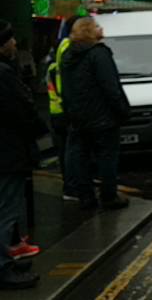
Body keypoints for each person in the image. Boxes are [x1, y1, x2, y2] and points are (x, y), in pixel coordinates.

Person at [60, 17, 129, 211]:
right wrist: (123, 111)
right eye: (97, 26)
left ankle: (86, 197)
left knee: (81, 158)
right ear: (89, 31)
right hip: (103, 118)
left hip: (79, 118)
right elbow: (111, 87)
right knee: (107, 157)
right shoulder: (99, 53)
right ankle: (109, 196)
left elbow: (66, 89)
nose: (101, 28)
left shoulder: (68, 55)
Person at [0, 20, 43, 289]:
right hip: (7, 153)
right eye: (11, 39)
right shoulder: (3, 74)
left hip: (7, 151)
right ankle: (3, 269)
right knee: (5, 211)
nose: (15, 43)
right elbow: (21, 111)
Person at [45, 16, 77, 200]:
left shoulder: (54, 56)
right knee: (72, 150)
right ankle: (72, 188)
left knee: (66, 150)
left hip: (56, 110)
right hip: (66, 111)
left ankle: (70, 185)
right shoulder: (68, 49)